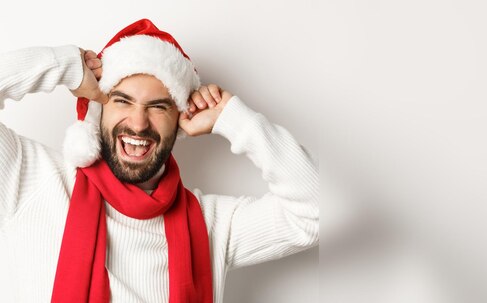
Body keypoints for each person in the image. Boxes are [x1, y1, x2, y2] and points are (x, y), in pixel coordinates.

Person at [0, 19, 318, 303]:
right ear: (97, 110)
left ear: (180, 118)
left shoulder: (213, 224)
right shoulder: (30, 180)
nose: (138, 124)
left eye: (158, 106)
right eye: (122, 101)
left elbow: (314, 214)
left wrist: (233, 119)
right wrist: (65, 66)